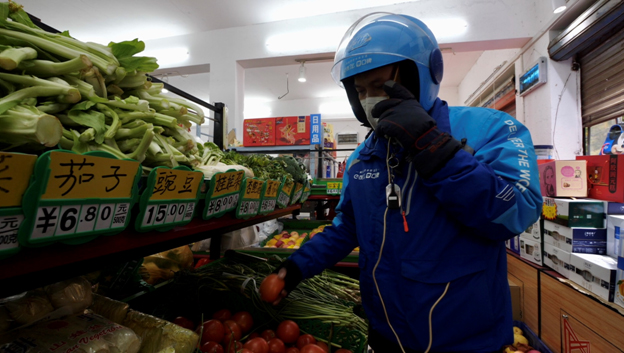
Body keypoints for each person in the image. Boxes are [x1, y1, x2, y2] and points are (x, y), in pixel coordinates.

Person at [264, 13, 543, 353]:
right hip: (387, 336)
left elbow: (518, 211)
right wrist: (293, 270)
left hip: (469, 340)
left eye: (380, 85)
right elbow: (347, 227)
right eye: (360, 90)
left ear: (418, 78)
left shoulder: (488, 128)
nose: (369, 100)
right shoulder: (362, 158)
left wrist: (433, 146)